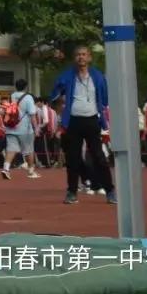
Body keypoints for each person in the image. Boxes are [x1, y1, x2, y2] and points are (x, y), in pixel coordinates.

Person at [49, 46, 116, 205]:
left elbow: (105, 99)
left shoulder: (98, 77)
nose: (81, 57)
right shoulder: (67, 76)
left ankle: (110, 191)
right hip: (73, 121)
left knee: (99, 157)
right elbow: (55, 94)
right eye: (78, 54)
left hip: (92, 119)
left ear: (89, 58)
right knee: (73, 158)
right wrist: (59, 107)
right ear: (75, 58)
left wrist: (104, 119)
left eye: (84, 55)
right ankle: (72, 192)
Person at [1, 79, 40, 181]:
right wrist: (36, 128)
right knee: (29, 150)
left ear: (15, 86)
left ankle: (6, 168)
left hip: (11, 127)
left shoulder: (11, 96)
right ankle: (31, 170)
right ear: (25, 87)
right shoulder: (28, 98)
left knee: (11, 149)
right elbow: (32, 114)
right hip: (24, 129)